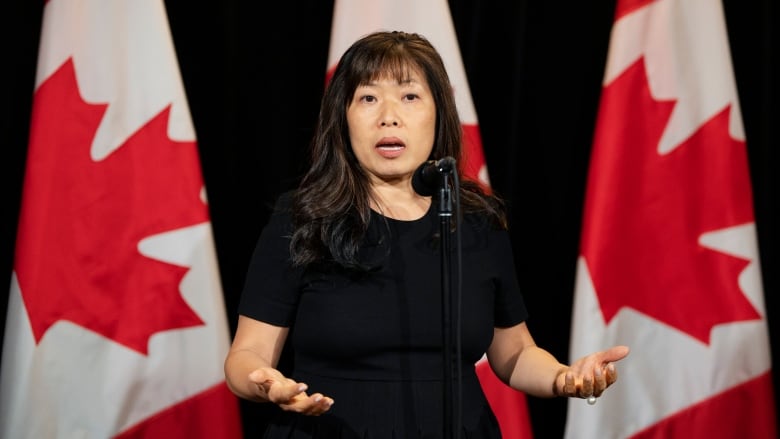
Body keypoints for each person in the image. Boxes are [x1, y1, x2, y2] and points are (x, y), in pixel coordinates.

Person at [224, 30, 629, 438]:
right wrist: (265, 383)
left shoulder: (476, 222)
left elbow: (516, 353)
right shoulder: (302, 218)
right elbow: (248, 353)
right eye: (368, 98)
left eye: (409, 96)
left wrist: (564, 378)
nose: (388, 115)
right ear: (342, 117)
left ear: (439, 114)